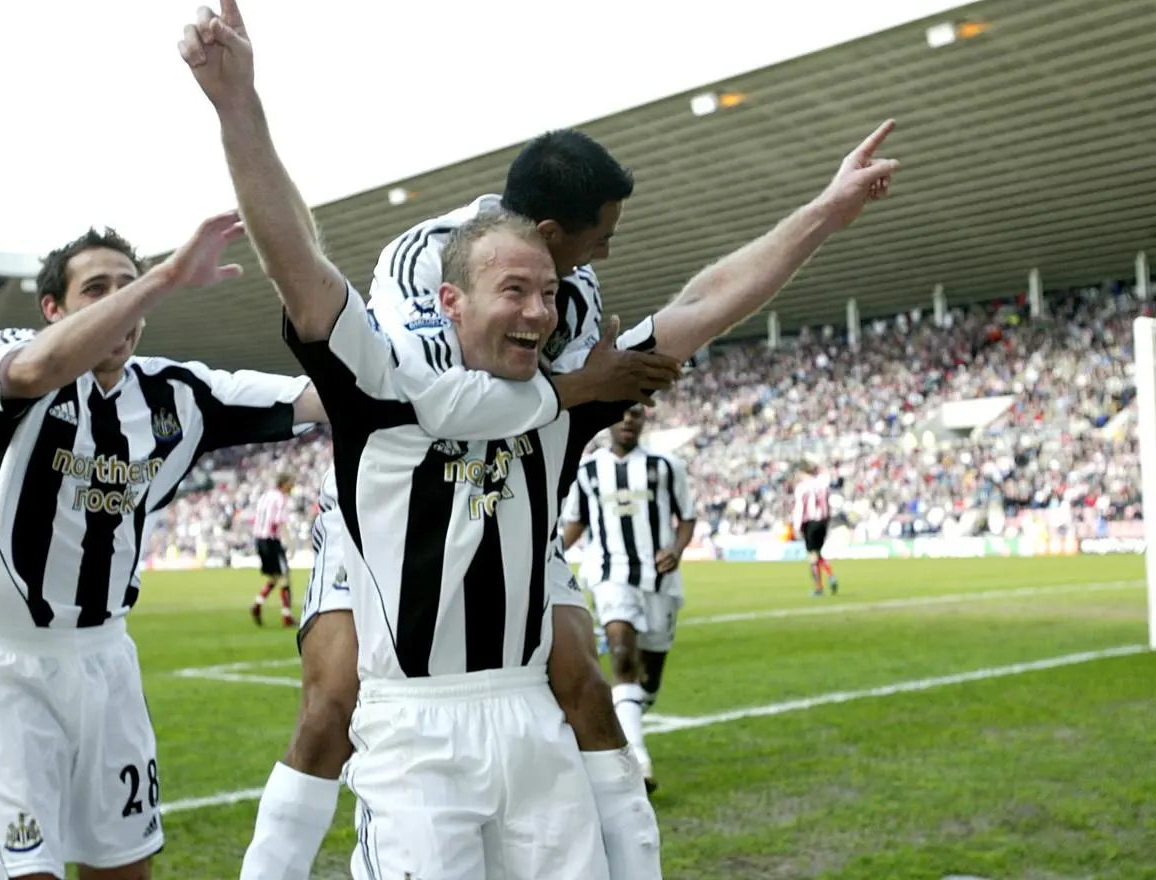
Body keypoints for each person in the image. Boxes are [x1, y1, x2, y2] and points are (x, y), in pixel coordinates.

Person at [181, 4, 898, 878]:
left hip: (517, 661)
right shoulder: (409, 327)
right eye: (516, 290)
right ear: (455, 300)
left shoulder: (575, 344)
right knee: (327, 708)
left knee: (588, 692)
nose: (544, 306)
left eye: (550, 293)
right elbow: (312, 280)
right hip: (403, 622)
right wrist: (237, 106)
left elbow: (703, 303)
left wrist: (825, 212)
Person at [243, 135, 677, 878]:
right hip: (396, 499)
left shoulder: (572, 288)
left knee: (582, 681)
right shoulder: (423, 255)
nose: (601, 255)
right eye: (598, 236)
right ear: (550, 231)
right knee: (330, 708)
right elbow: (424, 403)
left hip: (507, 491)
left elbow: (559, 400)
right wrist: (575, 391)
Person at [0, 214, 330, 880]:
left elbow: (324, 399)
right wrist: (165, 277)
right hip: (0, 665)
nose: (122, 300)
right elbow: (34, 368)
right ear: (53, 308)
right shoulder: (3, 357)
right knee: (25, 873)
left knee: (124, 869)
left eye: (129, 285)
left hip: (105, 660)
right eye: (99, 288)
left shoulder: (180, 395)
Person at [561, 404, 697, 792]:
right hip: (608, 573)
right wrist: (545, 556)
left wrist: (677, 548)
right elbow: (577, 522)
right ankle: (638, 758)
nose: (626, 420)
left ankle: (637, 704)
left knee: (648, 677)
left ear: (643, 418)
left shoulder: (666, 466)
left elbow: (687, 517)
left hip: (659, 580)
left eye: (634, 413)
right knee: (620, 652)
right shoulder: (586, 470)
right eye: (619, 413)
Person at [249, 472, 296, 627]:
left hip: (259, 539)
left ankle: (257, 605)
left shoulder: (265, 496)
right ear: (283, 484)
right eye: (291, 483)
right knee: (285, 577)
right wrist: (290, 543)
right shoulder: (280, 498)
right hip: (271, 540)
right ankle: (286, 617)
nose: (292, 486)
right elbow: (279, 522)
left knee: (276, 576)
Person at [792, 458, 839, 596]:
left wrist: (797, 527)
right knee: (817, 554)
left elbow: (799, 508)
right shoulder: (822, 483)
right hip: (823, 522)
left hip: (810, 523)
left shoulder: (801, 488)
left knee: (812, 556)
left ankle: (819, 587)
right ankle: (831, 575)